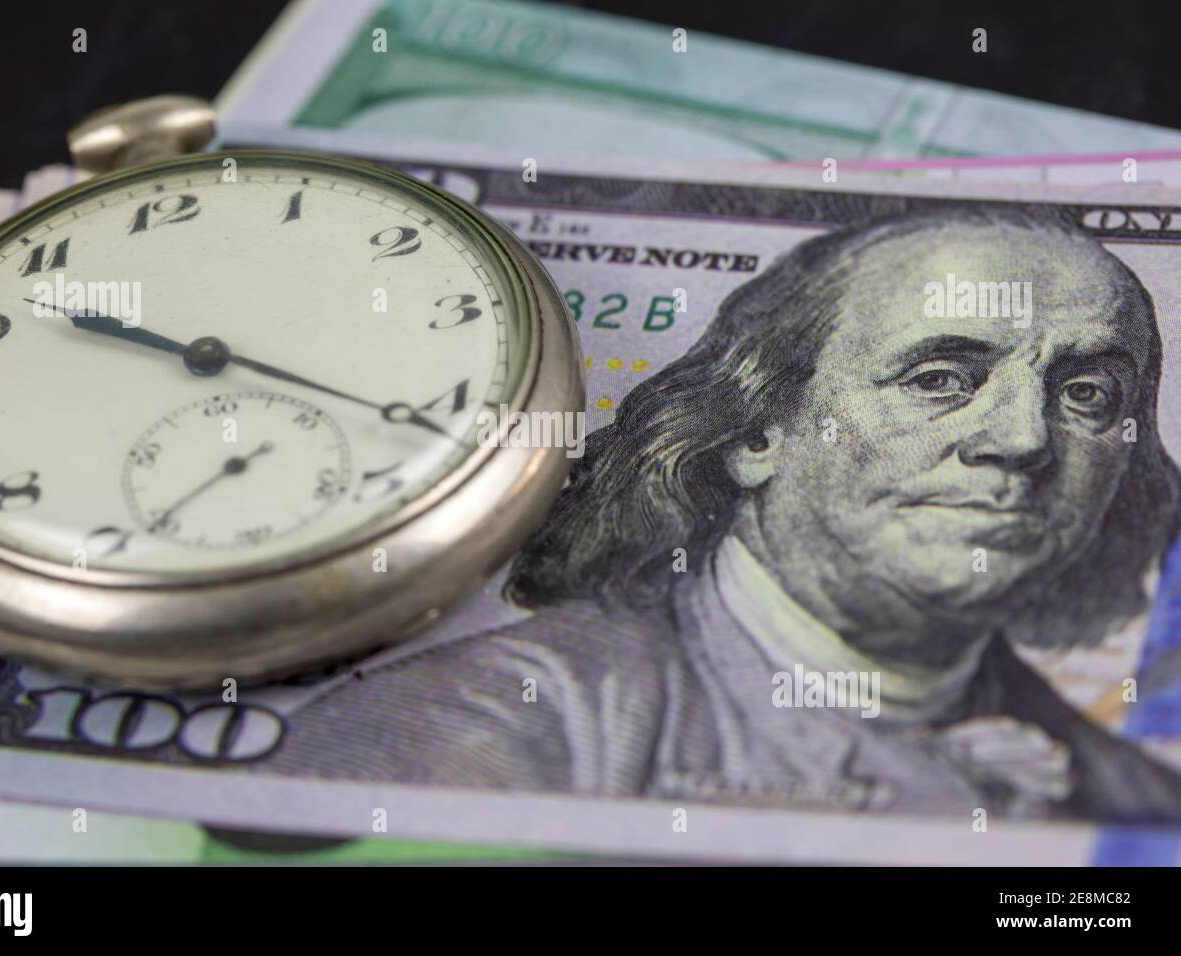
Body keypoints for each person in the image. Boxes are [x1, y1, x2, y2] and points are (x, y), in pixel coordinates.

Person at [279, 207, 1181, 822]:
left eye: (1090, 394)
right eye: (939, 379)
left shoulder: (1133, 799)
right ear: (758, 430)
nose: (1023, 439)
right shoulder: (494, 724)